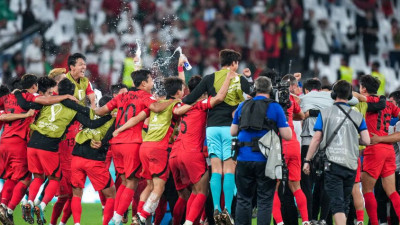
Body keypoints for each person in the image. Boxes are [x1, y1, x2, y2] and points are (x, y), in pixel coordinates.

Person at [18, 78, 112, 225]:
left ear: (58, 90)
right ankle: (41, 205)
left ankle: (29, 201)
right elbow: (91, 123)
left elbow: (25, 104)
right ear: (73, 91)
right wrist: (108, 117)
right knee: (55, 178)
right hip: (49, 146)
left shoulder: (47, 101)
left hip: (33, 143)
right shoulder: (73, 108)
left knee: (38, 176)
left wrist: (17, 93)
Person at [94, 70, 173, 225]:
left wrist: (88, 110)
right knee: (132, 183)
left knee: (124, 182)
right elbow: (156, 108)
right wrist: (176, 101)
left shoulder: (121, 96)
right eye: (151, 80)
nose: (152, 83)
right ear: (143, 83)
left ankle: (113, 219)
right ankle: (116, 221)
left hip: (116, 144)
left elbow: (101, 111)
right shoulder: (145, 96)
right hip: (132, 143)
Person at [182, 49, 251, 224]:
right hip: (230, 128)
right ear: (235, 63)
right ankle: (227, 209)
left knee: (216, 169)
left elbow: (189, 99)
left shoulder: (209, 78)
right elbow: (255, 95)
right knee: (229, 169)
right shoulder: (239, 78)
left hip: (211, 128)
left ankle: (215, 210)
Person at [303, 80, 370, 225]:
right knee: (345, 202)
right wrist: (351, 139)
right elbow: (366, 140)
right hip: (351, 163)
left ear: (333, 94)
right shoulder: (357, 115)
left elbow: (316, 139)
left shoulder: (325, 113)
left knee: (337, 203)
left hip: (333, 163)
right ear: (350, 95)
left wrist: (307, 160)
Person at [231, 76, 292, 225]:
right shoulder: (275, 107)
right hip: (266, 160)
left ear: (254, 89)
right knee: (265, 200)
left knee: (243, 199)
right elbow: (287, 136)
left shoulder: (243, 105)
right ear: (270, 89)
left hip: (244, 158)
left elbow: (233, 131)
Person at [70, 96, 117, 225]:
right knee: (111, 195)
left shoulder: (90, 115)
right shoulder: (113, 120)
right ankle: (106, 223)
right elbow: (109, 136)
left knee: (76, 194)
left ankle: (77, 223)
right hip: (94, 161)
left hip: (76, 158)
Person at [272, 74, 308, 225]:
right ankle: (306, 221)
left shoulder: (271, 100)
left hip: (278, 145)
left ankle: (279, 222)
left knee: (273, 189)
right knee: (297, 187)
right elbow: (301, 115)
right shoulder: (292, 99)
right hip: (293, 144)